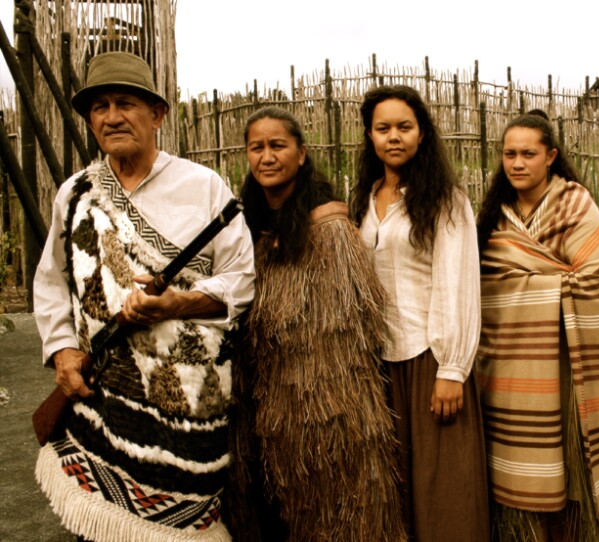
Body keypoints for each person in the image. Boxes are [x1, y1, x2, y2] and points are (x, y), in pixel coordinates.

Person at [32, 51, 255, 541]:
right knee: (98, 526)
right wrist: (64, 351)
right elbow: (51, 281)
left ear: (157, 115)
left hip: (189, 411)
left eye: (126, 103)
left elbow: (241, 281)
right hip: (99, 399)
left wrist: (177, 303)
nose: (111, 117)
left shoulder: (204, 189)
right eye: (99, 107)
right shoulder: (75, 194)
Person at [225, 106, 405, 541]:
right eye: (257, 147)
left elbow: (348, 328)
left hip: (328, 406)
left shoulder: (329, 228)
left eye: (278, 146)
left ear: (301, 154)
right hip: (263, 401)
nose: (267, 156)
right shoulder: (242, 224)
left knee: (340, 513)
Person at [352, 84, 490, 541]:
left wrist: (452, 368)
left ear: (423, 134)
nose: (394, 137)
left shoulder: (443, 199)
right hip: (379, 361)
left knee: (442, 485)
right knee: (394, 484)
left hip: (429, 354)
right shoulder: (364, 203)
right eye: (383, 128)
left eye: (405, 127)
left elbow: (458, 281)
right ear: (370, 136)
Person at [475, 112, 599, 540]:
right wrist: (548, 280)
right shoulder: (494, 217)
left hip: (566, 364)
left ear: (550, 156)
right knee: (519, 483)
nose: (517, 163)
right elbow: (484, 285)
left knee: (570, 479)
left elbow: (597, 278)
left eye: (528, 154)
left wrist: (523, 284)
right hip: (512, 372)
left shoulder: (574, 204)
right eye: (509, 154)